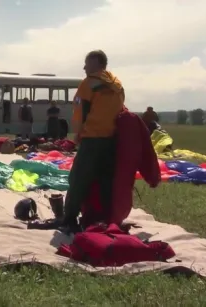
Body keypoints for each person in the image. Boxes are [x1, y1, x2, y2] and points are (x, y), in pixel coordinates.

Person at [61, 50, 125, 232]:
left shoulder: (88, 84)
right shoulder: (117, 84)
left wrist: (78, 135)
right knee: (106, 181)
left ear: (97, 64)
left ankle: (69, 218)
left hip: (92, 138)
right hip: (111, 140)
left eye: (87, 64)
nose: (84, 67)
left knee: (78, 179)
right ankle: (105, 218)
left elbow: (80, 112)